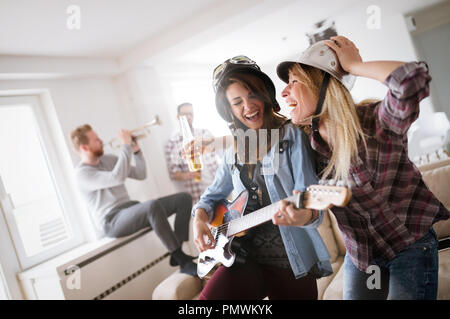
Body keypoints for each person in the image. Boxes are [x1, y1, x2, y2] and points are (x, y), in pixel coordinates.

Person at [276, 35, 450, 299]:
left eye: (293, 81)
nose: (284, 92)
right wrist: (301, 216)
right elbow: (313, 208)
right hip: (362, 257)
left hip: (410, 246)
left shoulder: (376, 123)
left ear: (322, 84)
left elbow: (412, 79)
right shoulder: (305, 146)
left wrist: (354, 65)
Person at [192, 55, 332, 300]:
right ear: (230, 111)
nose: (248, 106)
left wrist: (303, 214)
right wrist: (199, 219)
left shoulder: (292, 136)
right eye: (237, 102)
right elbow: (210, 196)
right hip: (242, 257)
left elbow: (312, 205)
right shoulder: (233, 150)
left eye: (252, 94)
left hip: (292, 263)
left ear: (266, 94)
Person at [70, 124, 197, 276]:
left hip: (130, 209)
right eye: (96, 139)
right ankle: (183, 262)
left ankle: (178, 253)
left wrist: (136, 151)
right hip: (112, 220)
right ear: (85, 148)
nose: (101, 140)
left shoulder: (109, 160)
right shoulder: (81, 174)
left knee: (183, 199)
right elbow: (116, 178)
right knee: (151, 206)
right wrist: (125, 145)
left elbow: (141, 174)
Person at [164, 103, 218, 205]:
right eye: (185, 114)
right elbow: (174, 173)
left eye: (191, 114)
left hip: (219, 186)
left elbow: (221, 153)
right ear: (178, 116)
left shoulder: (204, 133)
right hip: (199, 196)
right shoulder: (172, 143)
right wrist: (188, 175)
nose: (189, 117)